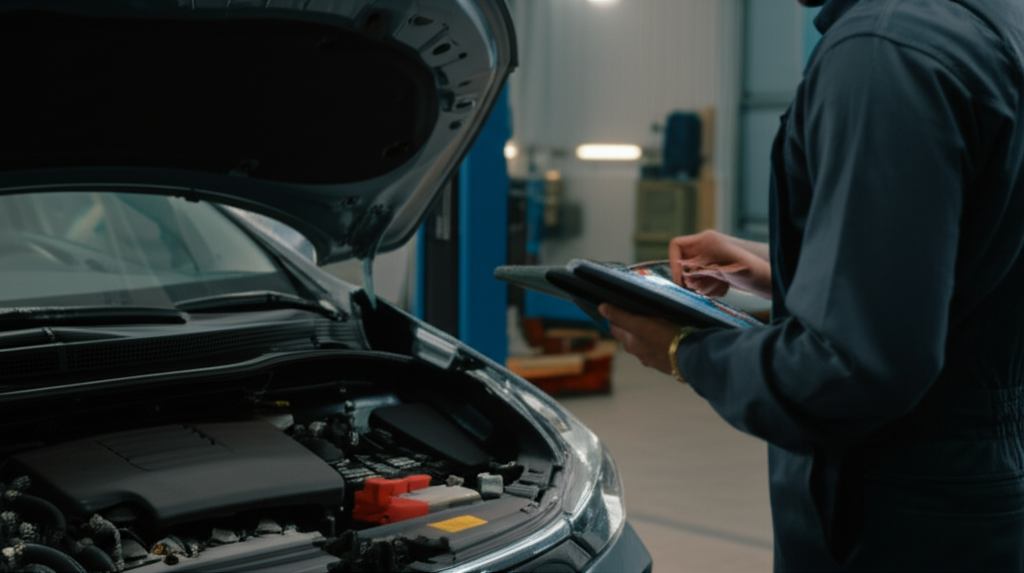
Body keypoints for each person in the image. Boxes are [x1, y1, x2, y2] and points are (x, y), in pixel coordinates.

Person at [600, 0, 1024, 570]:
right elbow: (968, 269)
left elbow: (854, 369)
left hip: (894, 511)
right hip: (977, 489)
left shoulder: (883, 50)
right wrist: (782, 273)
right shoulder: (989, 21)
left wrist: (686, 350)